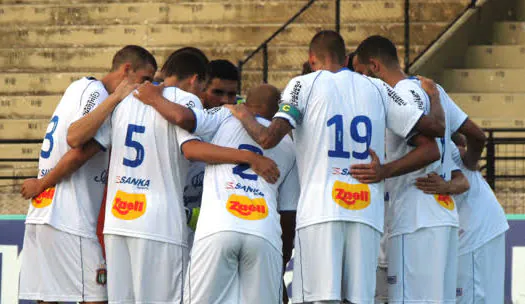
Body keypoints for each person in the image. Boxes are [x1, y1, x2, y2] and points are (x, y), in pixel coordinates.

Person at [223, 30, 448, 304]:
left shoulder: (302, 84)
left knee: (319, 298)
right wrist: (385, 170)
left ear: (312, 58)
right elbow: (434, 135)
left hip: (320, 211)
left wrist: (244, 113)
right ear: (345, 58)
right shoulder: (377, 88)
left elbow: (267, 138)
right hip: (366, 210)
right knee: (358, 299)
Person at [18, 45, 157, 304]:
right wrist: (115, 99)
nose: (145, 87)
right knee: (98, 296)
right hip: (69, 216)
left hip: (44, 211)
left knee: (49, 297)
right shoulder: (99, 94)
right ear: (127, 70)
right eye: (144, 79)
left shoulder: (77, 87)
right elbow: (76, 140)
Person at [353, 35, 480, 304]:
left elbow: (432, 147)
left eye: (361, 74)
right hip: (442, 214)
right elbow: (465, 136)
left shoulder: (393, 96)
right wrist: (462, 172)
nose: (359, 83)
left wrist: (384, 171)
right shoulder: (432, 89)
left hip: (413, 217)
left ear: (374, 67)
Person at [186, 84, 299, 303]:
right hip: (264, 233)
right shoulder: (289, 145)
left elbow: (186, 127)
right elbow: (288, 215)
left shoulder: (224, 117)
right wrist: (280, 264)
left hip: (218, 228)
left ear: (245, 104)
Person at [415, 133, 509, 304]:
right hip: (482, 227)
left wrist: (447, 185)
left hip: (476, 230)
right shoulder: (442, 145)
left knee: (471, 296)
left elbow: (464, 181)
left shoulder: (445, 148)